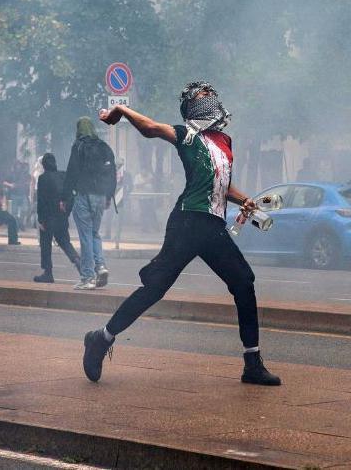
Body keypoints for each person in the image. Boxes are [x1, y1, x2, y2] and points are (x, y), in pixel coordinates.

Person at [82, 81, 280, 386]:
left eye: (211, 93)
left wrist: (245, 200)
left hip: (212, 225)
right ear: (191, 107)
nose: (210, 97)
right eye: (202, 96)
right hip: (187, 222)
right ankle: (102, 338)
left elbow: (220, 186)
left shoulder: (225, 142)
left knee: (244, 281)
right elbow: (149, 127)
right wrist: (121, 109)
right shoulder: (187, 134)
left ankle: (252, 363)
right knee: (155, 288)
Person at [62, 117, 117, 290]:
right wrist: (109, 196)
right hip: (101, 196)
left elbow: (71, 173)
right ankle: (100, 266)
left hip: (83, 195)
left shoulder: (78, 146)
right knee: (94, 233)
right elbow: (112, 173)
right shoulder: (104, 147)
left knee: (85, 236)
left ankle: (88, 277)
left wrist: (64, 197)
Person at [34, 153, 80, 283]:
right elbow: (72, 194)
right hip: (62, 217)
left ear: (44, 165)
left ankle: (48, 273)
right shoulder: (63, 175)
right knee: (65, 241)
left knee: (45, 244)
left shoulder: (43, 178)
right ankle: (78, 261)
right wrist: (67, 211)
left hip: (48, 217)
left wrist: (40, 219)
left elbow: (41, 201)